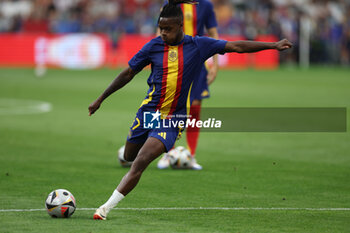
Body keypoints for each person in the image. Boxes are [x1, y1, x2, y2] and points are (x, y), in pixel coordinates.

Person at [89, 0, 292, 220]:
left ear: (180, 27)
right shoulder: (153, 46)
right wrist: (101, 98)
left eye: (168, 29)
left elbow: (236, 46)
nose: (163, 33)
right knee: (129, 156)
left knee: (140, 163)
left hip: (174, 118)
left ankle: (105, 208)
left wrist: (272, 46)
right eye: (161, 28)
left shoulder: (199, 45)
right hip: (148, 113)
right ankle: (154, 147)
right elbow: (128, 73)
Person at [157, 0, 219, 170]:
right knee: (169, 105)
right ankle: (166, 153)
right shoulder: (171, 3)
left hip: (197, 61)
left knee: (196, 105)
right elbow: (160, 30)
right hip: (173, 59)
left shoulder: (205, 5)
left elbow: (213, 32)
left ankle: (191, 155)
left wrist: (215, 64)